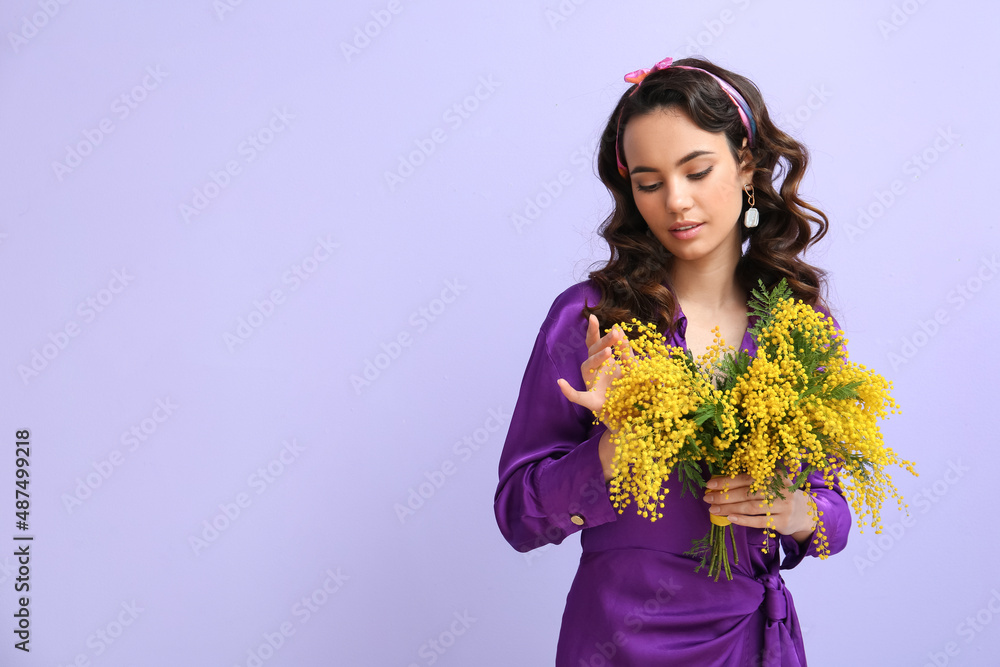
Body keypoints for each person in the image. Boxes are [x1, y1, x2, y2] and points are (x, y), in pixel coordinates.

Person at [493, 56, 852, 666]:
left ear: (745, 163)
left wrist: (794, 511)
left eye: (696, 170)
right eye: (649, 182)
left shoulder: (802, 323)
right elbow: (519, 517)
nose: (676, 203)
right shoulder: (592, 319)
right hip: (617, 640)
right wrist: (611, 450)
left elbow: (832, 507)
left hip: (749, 637)